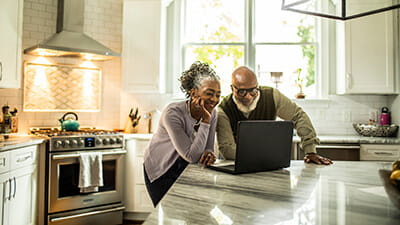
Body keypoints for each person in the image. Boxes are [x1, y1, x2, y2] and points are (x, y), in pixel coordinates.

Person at [217, 66, 332, 165]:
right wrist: (265, 157)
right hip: (235, 163)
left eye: (253, 91)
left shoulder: (272, 96)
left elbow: (298, 116)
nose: (248, 97)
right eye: (242, 92)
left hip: (266, 162)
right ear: (232, 88)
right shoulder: (223, 109)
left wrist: (310, 150)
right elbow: (227, 148)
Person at [143, 61, 221, 206]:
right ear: (193, 93)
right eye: (209, 94)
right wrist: (205, 120)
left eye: (218, 95)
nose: (214, 100)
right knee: (167, 216)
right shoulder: (173, 113)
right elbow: (191, 156)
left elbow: (207, 148)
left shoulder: (213, 113)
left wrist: (209, 153)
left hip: (185, 169)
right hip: (161, 170)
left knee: (190, 214)